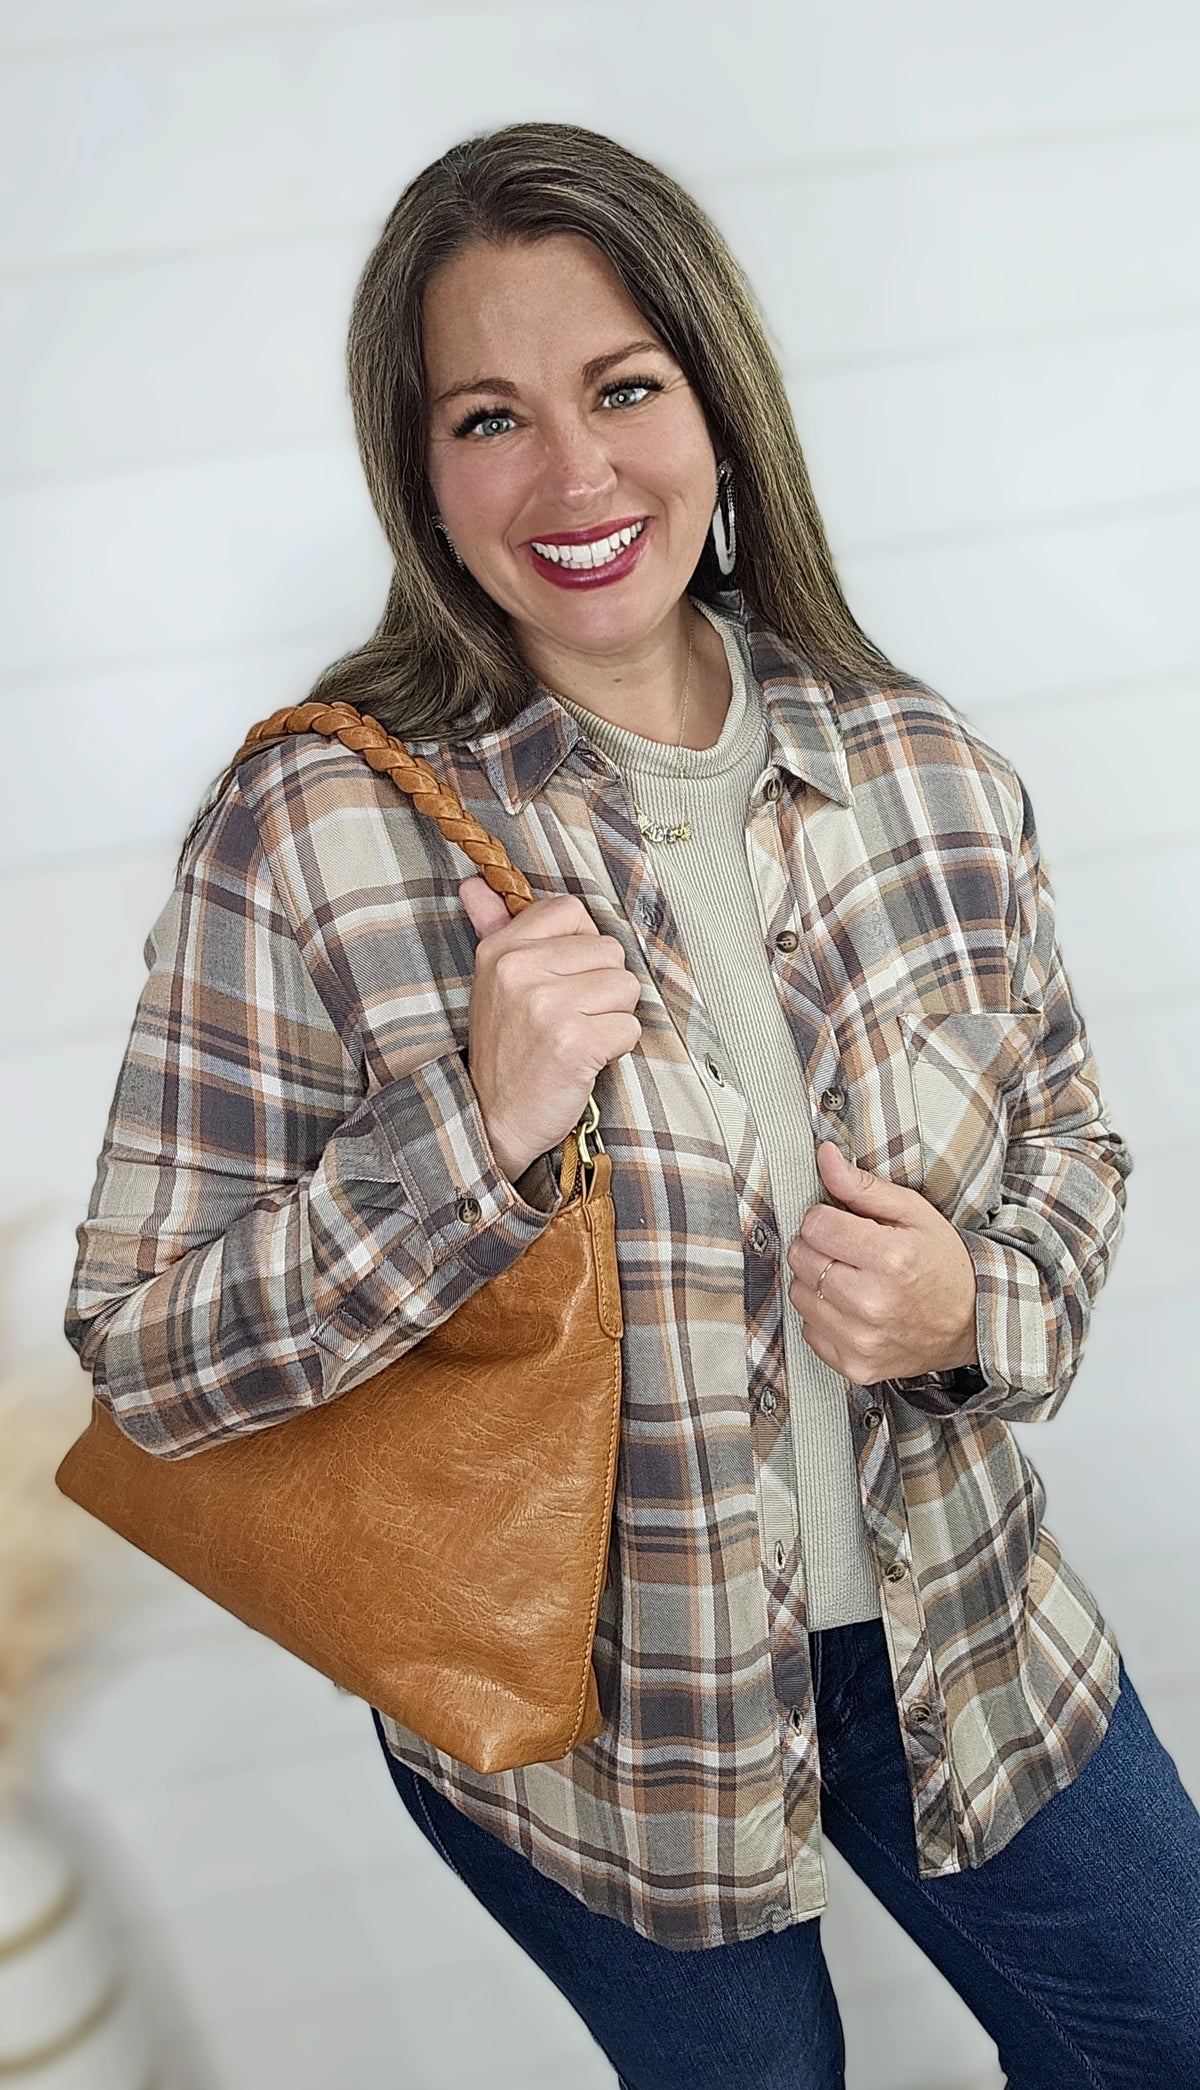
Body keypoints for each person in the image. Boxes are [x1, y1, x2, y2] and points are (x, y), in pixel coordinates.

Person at [64, 121, 1200, 2089]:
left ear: (719, 403)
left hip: (972, 1653)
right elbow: (146, 1356)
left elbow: (1074, 1153)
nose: (575, 477)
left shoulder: (927, 766)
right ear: (420, 470)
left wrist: (965, 1316)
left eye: (624, 389)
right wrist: (467, 1141)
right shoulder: (313, 830)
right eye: (491, 416)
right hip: (597, 1748)